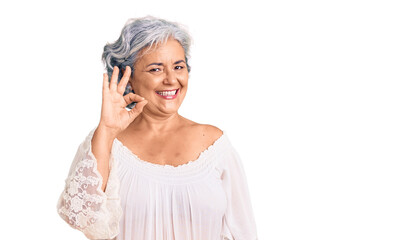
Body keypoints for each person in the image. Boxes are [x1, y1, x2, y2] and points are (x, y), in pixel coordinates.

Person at [57, 16, 258, 240]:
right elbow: (79, 218)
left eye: (178, 67)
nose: (171, 79)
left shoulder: (214, 144)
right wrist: (106, 130)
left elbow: (243, 232)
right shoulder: (107, 142)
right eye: (156, 69)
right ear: (128, 78)